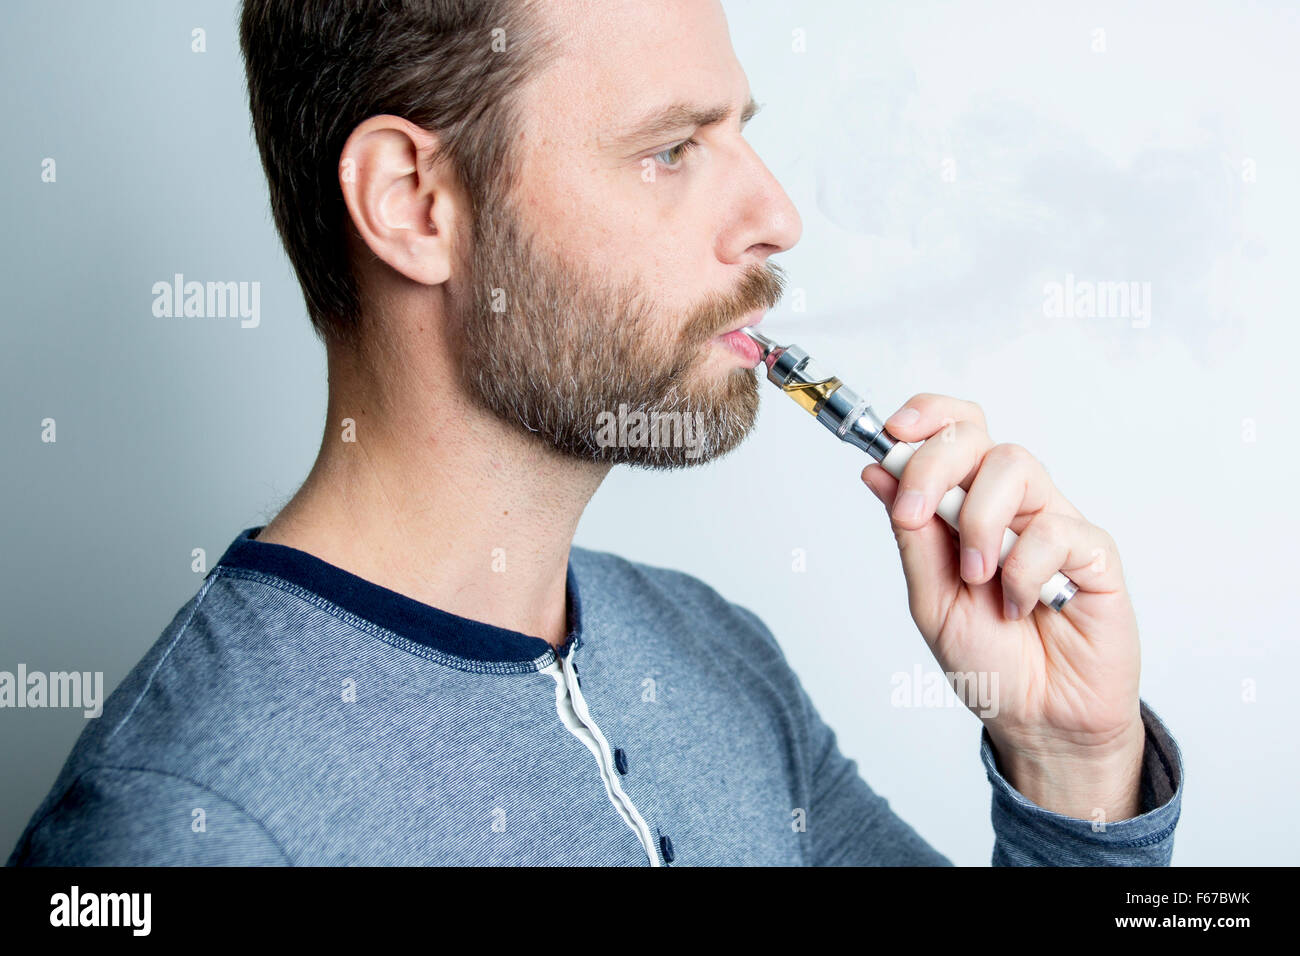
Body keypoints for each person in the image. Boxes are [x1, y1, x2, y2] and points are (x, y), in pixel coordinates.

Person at [8, 0, 1181, 866]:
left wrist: (1072, 761)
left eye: (738, 134)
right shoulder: (178, 825)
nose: (775, 215)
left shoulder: (715, 653)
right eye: (671, 149)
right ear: (415, 205)